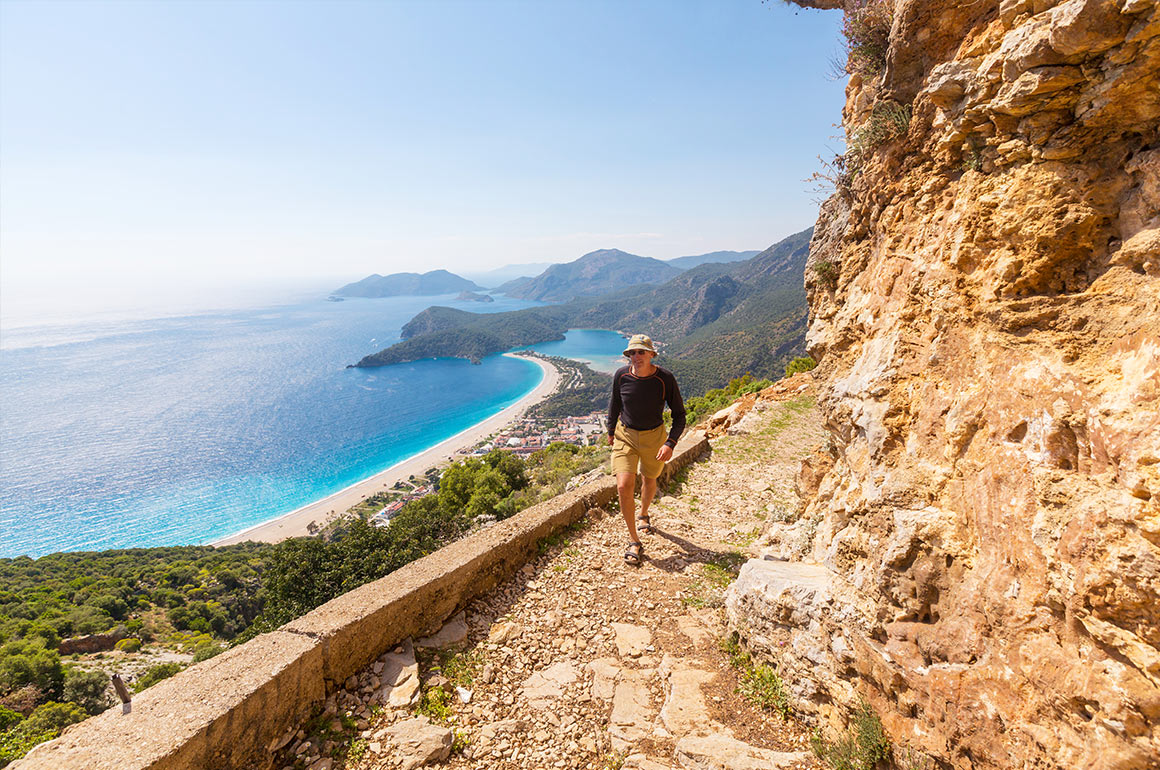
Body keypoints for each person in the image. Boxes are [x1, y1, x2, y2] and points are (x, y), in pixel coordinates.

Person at [607, 334, 686, 566]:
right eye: (632, 352)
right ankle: (634, 540)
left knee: (649, 479)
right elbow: (614, 403)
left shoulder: (665, 379)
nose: (636, 356)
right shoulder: (621, 375)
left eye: (641, 352)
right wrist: (611, 430)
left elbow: (680, 415)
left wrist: (670, 443)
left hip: (655, 437)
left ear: (652, 354)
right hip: (626, 435)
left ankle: (643, 513)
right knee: (623, 485)